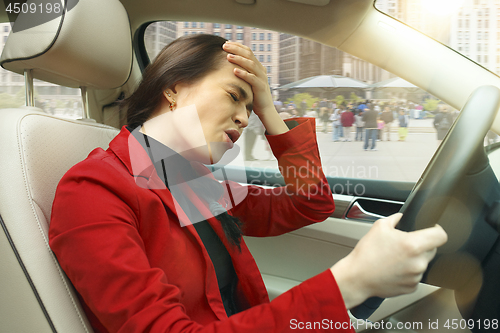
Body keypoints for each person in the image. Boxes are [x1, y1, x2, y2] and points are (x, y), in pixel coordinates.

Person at [49, 34, 447, 332]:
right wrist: (347, 284)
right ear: (173, 88)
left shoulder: (192, 182)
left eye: (250, 106)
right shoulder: (94, 190)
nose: (244, 118)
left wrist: (270, 110)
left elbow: (309, 203)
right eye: (234, 96)